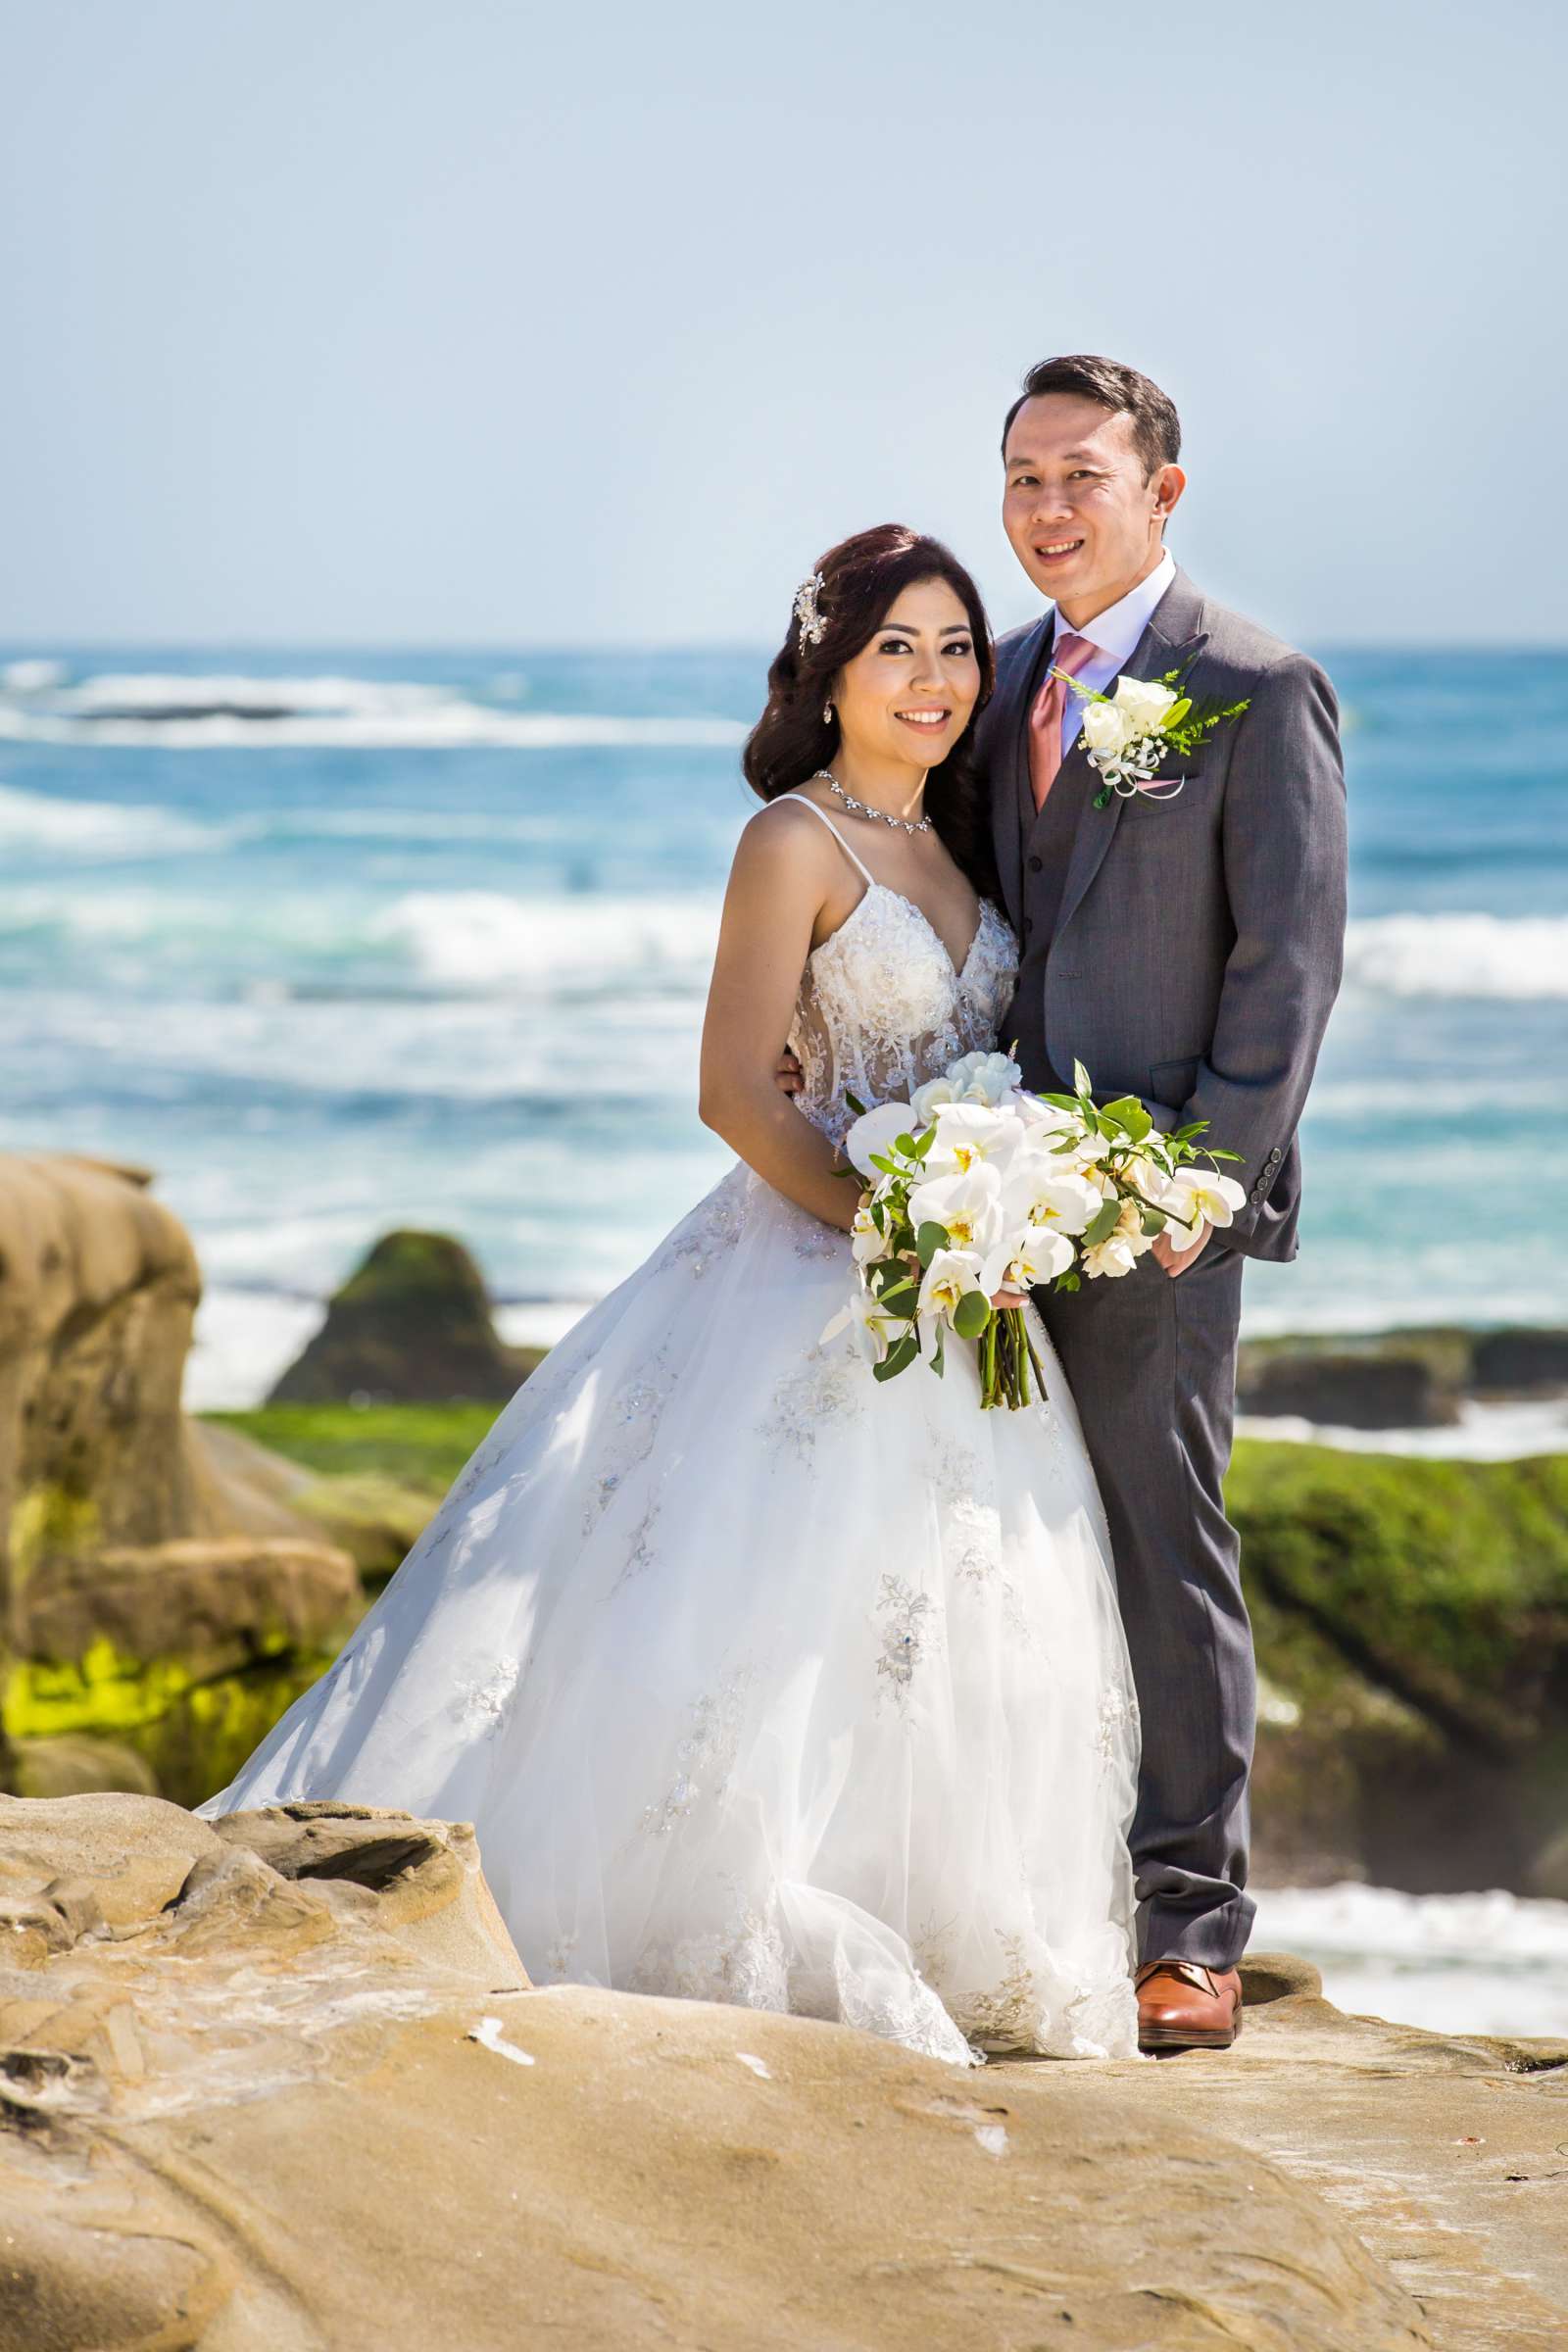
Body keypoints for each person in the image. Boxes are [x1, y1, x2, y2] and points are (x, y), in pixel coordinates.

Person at [196, 523, 1145, 2069]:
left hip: (957, 1298)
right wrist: (883, 1227)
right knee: (745, 1620)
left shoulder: (970, 844)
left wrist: (996, 1208)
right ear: (828, 669)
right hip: (804, 1272)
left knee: (946, 1621)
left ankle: (959, 1926)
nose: (932, 677)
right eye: (895, 646)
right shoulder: (791, 843)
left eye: (958, 646)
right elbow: (732, 1093)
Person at [780, 359, 1348, 2052]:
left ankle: (1191, 1926)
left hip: (1149, 1209)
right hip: (988, 1200)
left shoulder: (1252, 684)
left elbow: (1291, 957)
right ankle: (1024, 1886)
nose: (1045, 508)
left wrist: (1204, 1177)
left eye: (1079, 476)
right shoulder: (996, 677)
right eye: (1020, 477)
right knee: (993, 1547)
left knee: (1166, 1544)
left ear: (1161, 492)